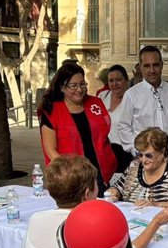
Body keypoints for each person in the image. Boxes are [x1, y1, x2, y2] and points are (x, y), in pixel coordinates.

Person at [12, 155, 168, 248]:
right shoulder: (94, 224)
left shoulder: (36, 219)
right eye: (96, 185)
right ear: (86, 194)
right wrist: (156, 222)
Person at [38, 63, 116, 194]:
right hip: (70, 176)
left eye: (82, 84)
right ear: (62, 87)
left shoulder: (95, 104)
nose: (79, 89)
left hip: (100, 173)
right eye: (73, 86)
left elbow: (104, 134)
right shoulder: (51, 111)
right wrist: (71, 173)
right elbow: (50, 150)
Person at [117, 46, 168, 155]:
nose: (152, 70)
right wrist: (136, 150)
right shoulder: (131, 94)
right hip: (144, 156)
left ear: (162, 65)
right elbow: (124, 126)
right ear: (141, 68)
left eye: (155, 65)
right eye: (147, 66)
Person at [106, 128, 168, 208]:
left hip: (163, 221)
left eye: (149, 155)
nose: (143, 160)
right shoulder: (134, 165)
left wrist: (156, 204)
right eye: (140, 154)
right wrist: (114, 192)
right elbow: (118, 187)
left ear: (162, 152)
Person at [98, 64, 132, 172]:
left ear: (126, 80)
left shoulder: (133, 98)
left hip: (126, 154)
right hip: (104, 153)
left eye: (118, 80)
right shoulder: (102, 97)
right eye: (111, 81)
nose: (114, 84)